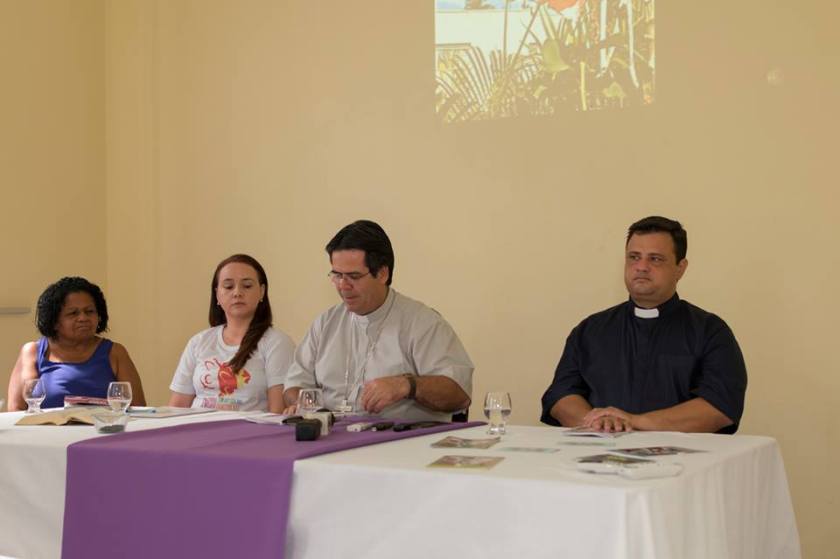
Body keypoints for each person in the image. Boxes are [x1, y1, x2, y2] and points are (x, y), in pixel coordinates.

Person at [541, 216, 747, 434]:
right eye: (634, 257)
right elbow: (561, 395)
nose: (641, 267)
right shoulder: (591, 329)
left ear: (680, 268)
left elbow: (719, 407)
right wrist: (597, 422)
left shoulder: (710, 332)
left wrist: (634, 422)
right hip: (597, 455)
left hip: (682, 460)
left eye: (655, 259)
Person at [283, 220, 473, 422]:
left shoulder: (422, 323)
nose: (342, 285)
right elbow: (294, 385)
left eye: (353, 276)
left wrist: (407, 386)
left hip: (401, 444)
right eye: (337, 275)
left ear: (382, 273)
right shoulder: (325, 323)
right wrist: (307, 406)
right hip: (332, 440)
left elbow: (459, 393)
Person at [168, 254, 295, 412]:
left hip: (247, 433)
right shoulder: (198, 342)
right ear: (217, 294)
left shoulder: (277, 342)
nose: (237, 293)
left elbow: (277, 412)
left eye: (247, 286)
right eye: (228, 287)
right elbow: (177, 406)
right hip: (196, 430)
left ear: (262, 291)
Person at [7, 277, 146, 411]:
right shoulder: (32, 352)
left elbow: (138, 408)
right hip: (47, 433)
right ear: (54, 321)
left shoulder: (115, 352)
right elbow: (16, 409)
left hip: (103, 431)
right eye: (73, 313)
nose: (83, 318)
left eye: (89, 311)